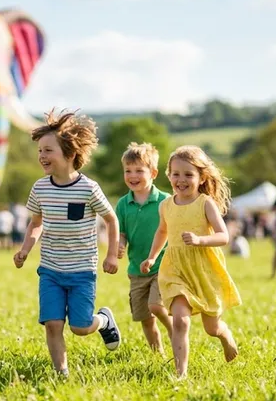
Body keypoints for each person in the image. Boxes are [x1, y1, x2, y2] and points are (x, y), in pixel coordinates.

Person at [13, 109, 122, 378]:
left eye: (48, 150)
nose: (42, 156)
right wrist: (26, 249)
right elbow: (36, 223)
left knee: (81, 327)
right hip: (50, 269)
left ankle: (104, 320)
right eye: (40, 151)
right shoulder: (40, 188)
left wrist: (111, 256)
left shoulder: (88, 188)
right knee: (52, 324)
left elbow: (111, 220)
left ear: (70, 154)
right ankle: (62, 372)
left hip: (82, 271)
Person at [141, 145, 241, 379]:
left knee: (211, 328)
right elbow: (162, 232)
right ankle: (181, 374)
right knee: (180, 322)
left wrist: (200, 239)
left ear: (201, 177)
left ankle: (226, 337)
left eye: (188, 174)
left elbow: (223, 236)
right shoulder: (165, 205)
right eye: (176, 174)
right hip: (175, 269)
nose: (181, 180)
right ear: (168, 175)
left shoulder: (205, 203)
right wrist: (153, 256)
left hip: (204, 270)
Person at [114, 142, 174, 355]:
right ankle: (158, 355)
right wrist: (120, 245)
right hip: (136, 269)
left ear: (154, 173)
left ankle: (175, 332)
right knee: (146, 320)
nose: (133, 175)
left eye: (139, 170)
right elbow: (120, 232)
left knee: (156, 306)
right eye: (128, 171)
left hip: (163, 266)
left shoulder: (166, 201)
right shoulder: (122, 204)